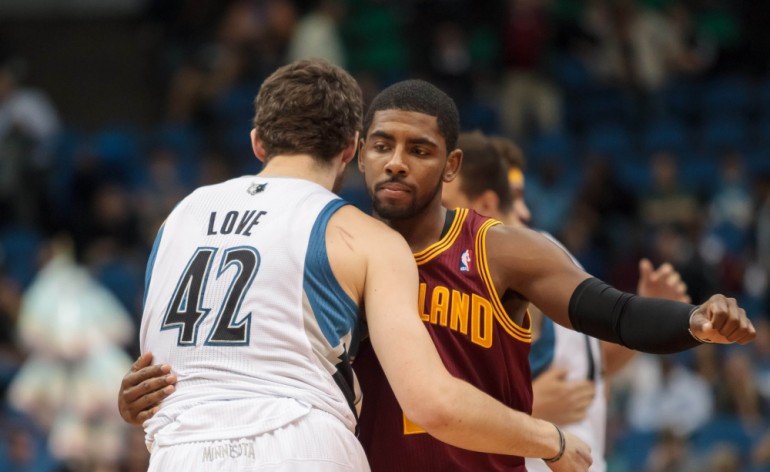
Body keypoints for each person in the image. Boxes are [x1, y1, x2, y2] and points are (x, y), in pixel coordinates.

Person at [120, 77, 754, 471]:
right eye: (381, 145)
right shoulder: (329, 246)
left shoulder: (502, 249)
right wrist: (145, 392)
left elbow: (610, 311)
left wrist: (694, 322)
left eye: (418, 151)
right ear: (356, 152)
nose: (396, 163)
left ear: (450, 167)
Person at [440, 130, 691, 472]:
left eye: (444, 207)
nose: (435, 222)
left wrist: (524, 410)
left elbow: (588, 370)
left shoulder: (515, 263)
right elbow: (588, 368)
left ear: (485, 202)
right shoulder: (552, 254)